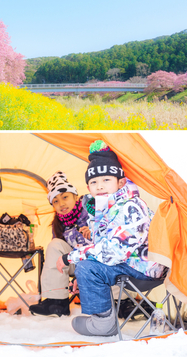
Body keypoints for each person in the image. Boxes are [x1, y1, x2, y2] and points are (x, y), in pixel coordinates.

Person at [56, 140, 166, 336]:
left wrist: (71, 257)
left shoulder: (130, 206)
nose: (100, 186)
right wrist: (84, 277)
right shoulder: (106, 209)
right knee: (87, 268)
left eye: (106, 180)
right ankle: (102, 318)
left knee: (86, 266)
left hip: (145, 267)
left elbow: (114, 251)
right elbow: (105, 249)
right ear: (88, 187)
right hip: (131, 262)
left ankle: (103, 323)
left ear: (120, 182)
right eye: (94, 182)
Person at [28, 171, 93, 317]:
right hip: (73, 262)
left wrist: (93, 230)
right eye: (56, 201)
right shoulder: (58, 224)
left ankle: (123, 302)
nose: (61, 204)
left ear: (75, 196)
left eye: (65, 197)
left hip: (96, 261)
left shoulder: (91, 210)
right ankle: (56, 303)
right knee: (55, 244)